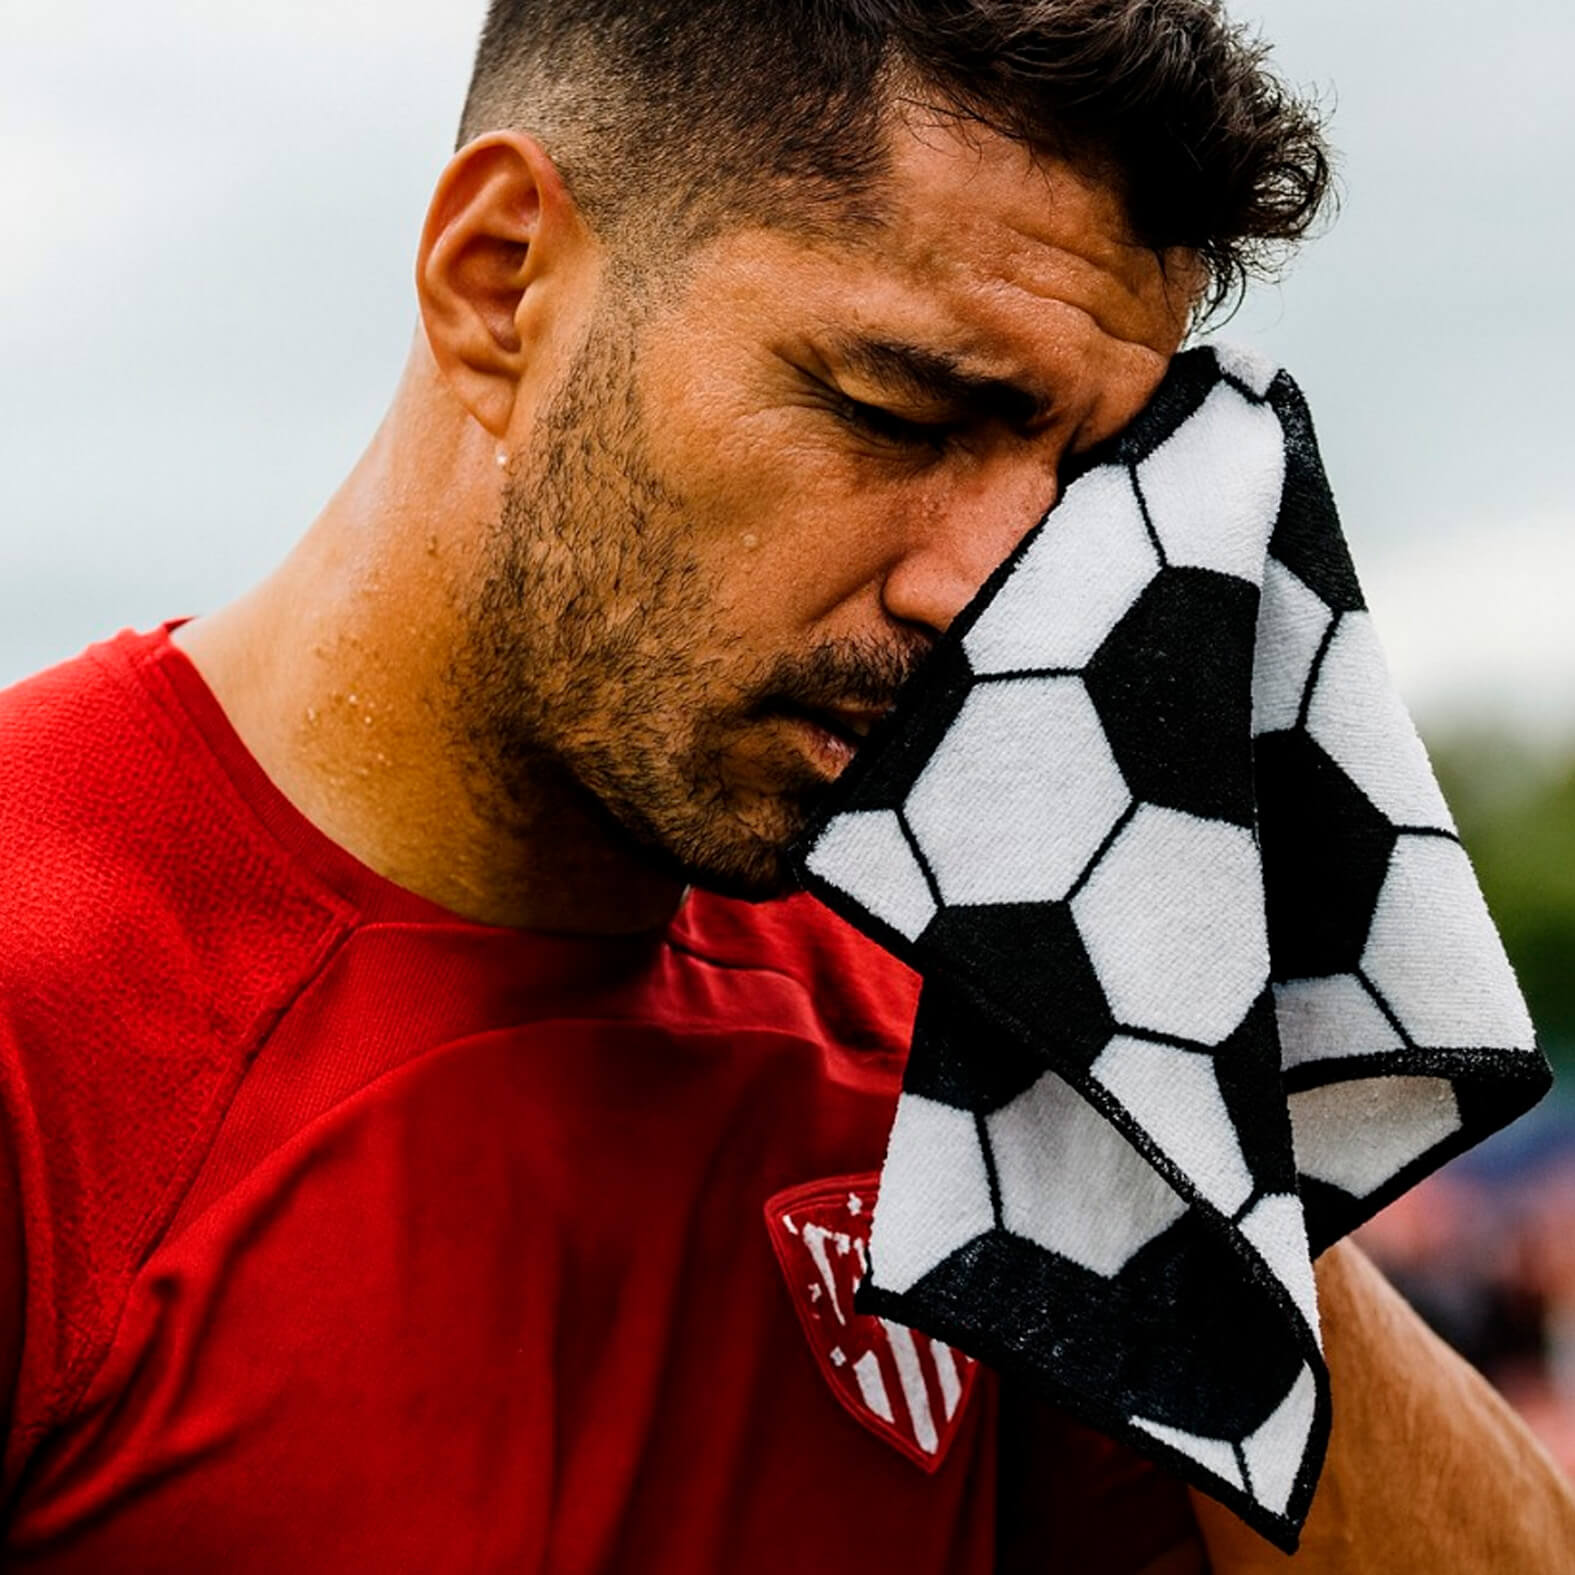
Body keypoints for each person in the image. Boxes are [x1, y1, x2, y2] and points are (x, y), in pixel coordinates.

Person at [0, 1, 1570, 1569]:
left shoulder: (984, 1034)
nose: (992, 594)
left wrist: (1181, 1048)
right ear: (500, 283)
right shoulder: (43, 1001)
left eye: (1082, 488)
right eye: (900, 412)